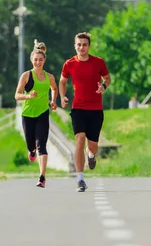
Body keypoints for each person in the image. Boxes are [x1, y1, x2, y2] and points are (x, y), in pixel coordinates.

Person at [59, 32, 111, 192]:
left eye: (84, 45)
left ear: (89, 46)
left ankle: (91, 155)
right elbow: (62, 81)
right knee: (79, 139)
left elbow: (108, 78)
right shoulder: (69, 64)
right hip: (78, 108)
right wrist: (62, 97)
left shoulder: (98, 62)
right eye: (79, 44)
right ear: (75, 46)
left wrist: (104, 86)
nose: (81, 47)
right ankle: (80, 179)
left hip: (95, 109)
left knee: (93, 146)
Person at [15, 40, 58, 188]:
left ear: (44, 60)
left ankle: (42, 177)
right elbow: (17, 95)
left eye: (40, 60)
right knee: (31, 145)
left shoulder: (49, 77)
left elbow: (54, 88)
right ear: (31, 60)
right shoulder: (26, 76)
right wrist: (28, 96)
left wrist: (53, 101)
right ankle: (31, 150)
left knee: (42, 145)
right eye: (35, 60)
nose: (38, 62)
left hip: (42, 114)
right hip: (27, 114)